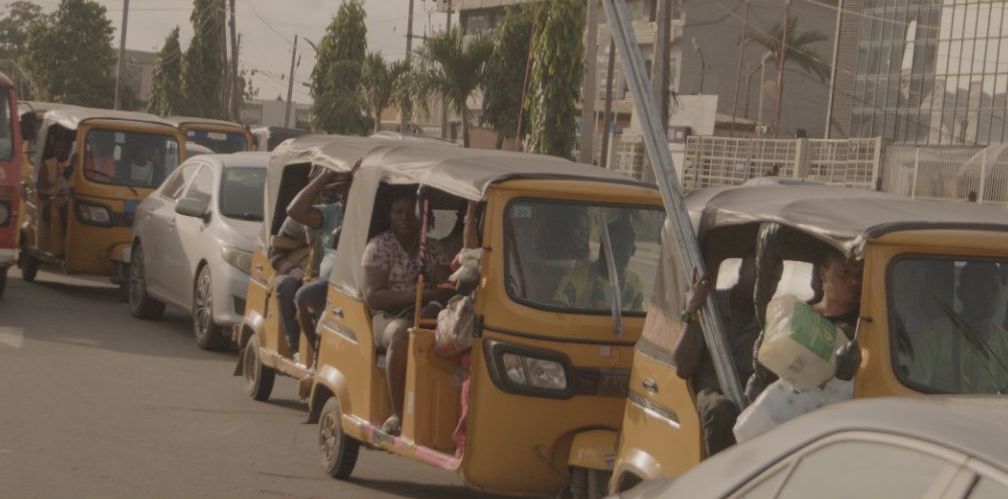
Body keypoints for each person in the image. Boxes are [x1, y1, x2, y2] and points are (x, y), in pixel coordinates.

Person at [363, 188, 453, 436]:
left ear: (422, 216)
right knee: (401, 334)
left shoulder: (433, 249)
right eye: (397, 212)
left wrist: (436, 291)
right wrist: (421, 294)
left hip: (426, 312)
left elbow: (445, 289)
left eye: (410, 212)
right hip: (387, 317)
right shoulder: (378, 246)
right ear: (390, 215)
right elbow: (374, 296)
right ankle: (396, 413)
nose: (404, 218)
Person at [673, 251, 765, 456]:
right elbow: (682, 366)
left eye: (769, 278)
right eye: (756, 274)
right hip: (710, 389)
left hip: (751, 393)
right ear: (741, 271)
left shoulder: (770, 318)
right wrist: (692, 311)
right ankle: (720, 477)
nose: (760, 284)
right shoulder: (709, 306)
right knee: (720, 408)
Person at [745, 251, 863, 400]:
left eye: (858, 276)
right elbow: (763, 370)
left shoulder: (863, 327)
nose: (852, 282)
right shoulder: (794, 316)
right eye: (844, 274)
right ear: (823, 272)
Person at [909, 262, 1008, 393]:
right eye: (978, 287)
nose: (987, 295)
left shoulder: (1005, 341)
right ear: (960, 292)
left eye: (994, 288)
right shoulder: (932, 336)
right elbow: (915, 394)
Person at [287, 168, 351, 362]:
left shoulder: (375, 216)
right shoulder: (334, 212)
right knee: (302, 298)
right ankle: (316, 351)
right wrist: (325, 176)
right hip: (328, 282)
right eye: (346, 189)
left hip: (354, 283)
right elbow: (294, 210)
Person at [553, 222, 644, 312]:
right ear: (601, 244)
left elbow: (640, 322)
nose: (614, 255)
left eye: (622, 249)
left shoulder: (635, 284)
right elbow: (558, 314)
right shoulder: (575, 279)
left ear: (632, 251)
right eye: (610, 248)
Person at [268, 216, 312, 360]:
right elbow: (275, 253)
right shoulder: (301, 213)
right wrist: (289, 268)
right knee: (287, 285)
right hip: (296, 268)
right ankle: (295, 347)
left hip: (325, 271)